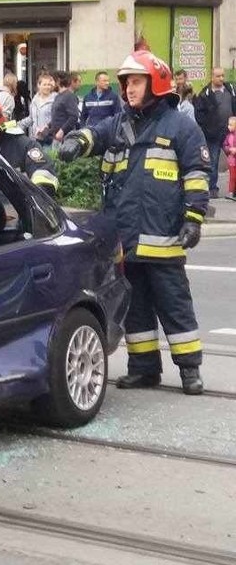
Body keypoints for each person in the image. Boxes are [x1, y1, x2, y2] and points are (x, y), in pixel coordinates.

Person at [58, 50, 210, 395]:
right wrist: (75, 142)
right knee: (136, 308)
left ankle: (189, 369)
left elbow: (198, 175)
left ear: (155, 83)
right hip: (127, 239)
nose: (129, 88)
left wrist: (194, 219)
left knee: (174, 305)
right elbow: (94, 135)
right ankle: (144, 368)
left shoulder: (181, 127)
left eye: (136, 81)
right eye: (126, 82)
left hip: (164, 236)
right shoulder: (120, 123)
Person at [193, 67, 236, 198]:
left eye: (222, 75)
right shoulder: (205, 94)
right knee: (213, 161)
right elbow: (198, 114)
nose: (221, 78)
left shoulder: (231, 89)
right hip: (213, 134)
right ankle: (212, 188)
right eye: (218, 76)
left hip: (231, 133)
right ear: (212, 77)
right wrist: (208, 129)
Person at [19, 73, 56, 147]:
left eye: (49, 84)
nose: (47, 87)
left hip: (50, 140)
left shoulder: (55, 99)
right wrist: (17, 125)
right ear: (39, 85)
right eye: (44, 84)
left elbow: (57, 119)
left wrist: (46, 129)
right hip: (36, 139)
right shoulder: (35, 100)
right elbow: (31, 118)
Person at [49, 71, 80, 145]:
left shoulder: (69, 96)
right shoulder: (58, 96)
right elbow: (58, 116)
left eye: (51, 80)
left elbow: (74, 116)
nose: (50, 84)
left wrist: (62, 131)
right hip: (56, 138)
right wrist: (47, 126)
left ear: (58, 81)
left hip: (66, 138)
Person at [223, 116, 236, 198]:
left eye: (231, 125)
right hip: (231, 160)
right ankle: (231, 191)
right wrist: (229, 149)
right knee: (232, 177)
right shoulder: (228, 136)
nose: (228, 126)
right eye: (228, 124)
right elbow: (225, 145)